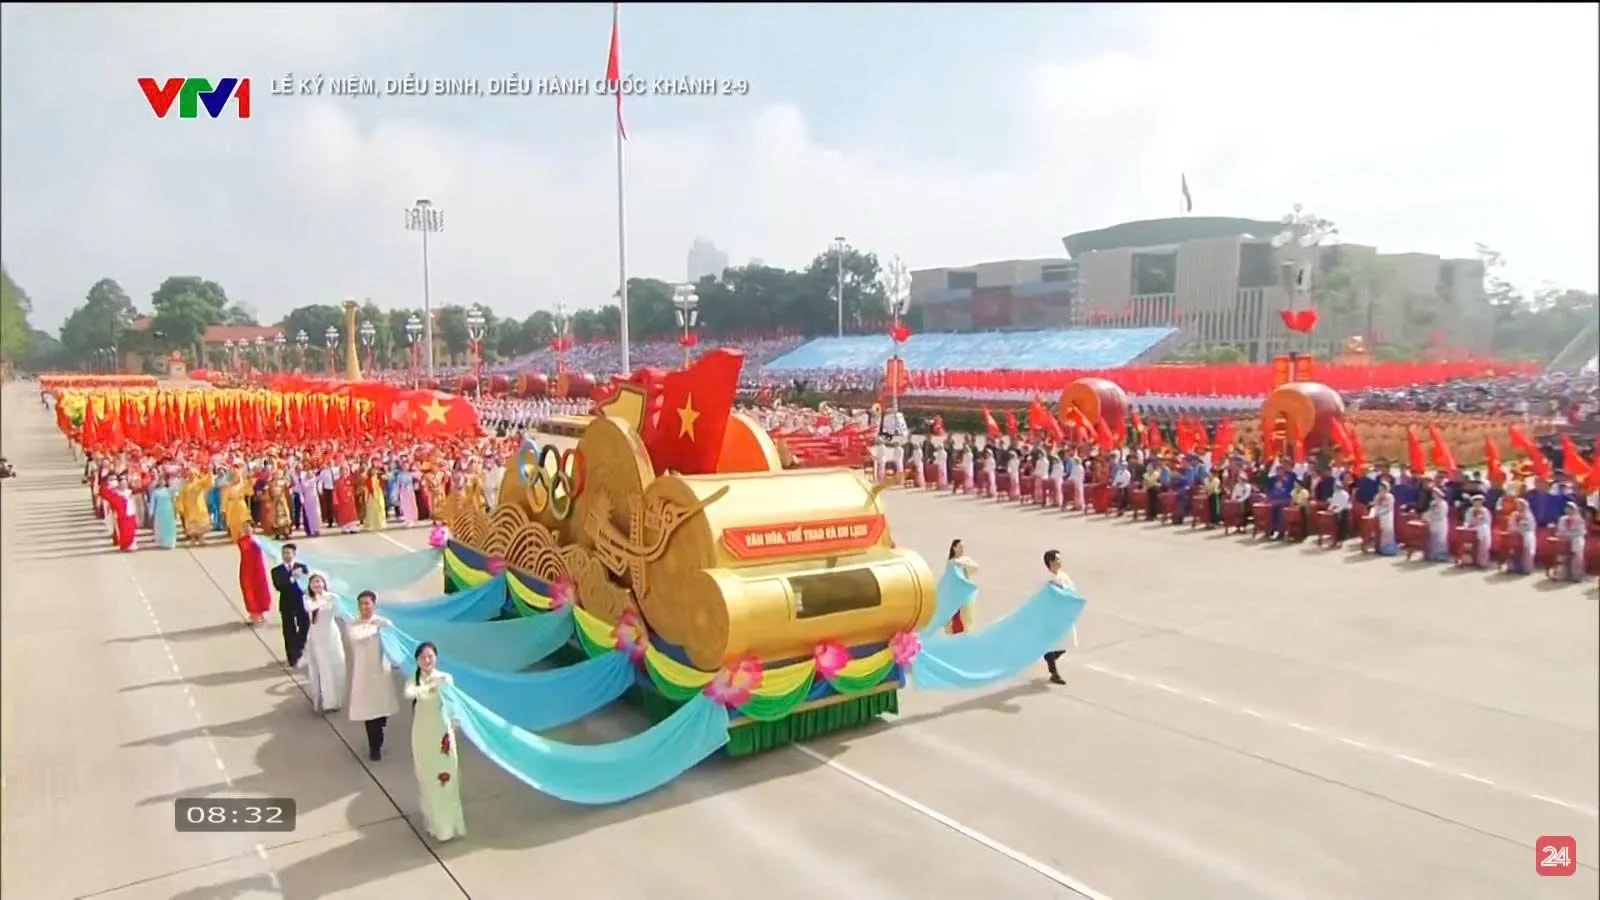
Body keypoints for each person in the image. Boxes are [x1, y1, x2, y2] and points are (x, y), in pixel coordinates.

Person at [404, 642, 466, 841]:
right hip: (422, 734)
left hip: (441, 735)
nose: (427, 660)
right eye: (422, 657)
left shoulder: (445, 678)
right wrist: (431, 686)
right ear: (417, 660)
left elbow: (453, 702)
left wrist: (455, 719)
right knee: (428, 778)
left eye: (430, 656)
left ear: (436, 658)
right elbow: (411, 693)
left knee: (446, 778)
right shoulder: (413, 681)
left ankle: (449, 826)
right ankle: (435, 823)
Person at [345, 590, 400, 760]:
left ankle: (379, 734)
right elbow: (357, 636)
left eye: (367, 603)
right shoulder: (354, 624)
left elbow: (393, 637)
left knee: (382, 709)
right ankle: (374, 748)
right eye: (361, 604)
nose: (364, 607)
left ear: (374, 605)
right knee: (369, 712)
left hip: (381, 672)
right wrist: (375, 627)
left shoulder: (382, 622)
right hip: (364, 674)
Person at [302, 572, 347, 713]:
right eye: (313, 582)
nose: (316, 584)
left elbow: (341, 613)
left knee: (337, 665)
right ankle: (327, 701)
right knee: (323, 667)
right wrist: (322, 599)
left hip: (331, 635)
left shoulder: (333, 597)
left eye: (318, 581)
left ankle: (337, 699)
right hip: (317, 637)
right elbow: (309, 608)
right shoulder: (307, 598)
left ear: (324, 583)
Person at [271, 544, 310, 662]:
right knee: (289, 630)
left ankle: (301, 648)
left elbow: (307, 584)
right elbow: (279, 586)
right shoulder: (276, 571)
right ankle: (292, 657)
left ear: (294, 554)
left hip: (301, 602)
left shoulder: (302, 567)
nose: (286, 556)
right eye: (284, 553)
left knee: (305, 626)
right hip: (286, 603)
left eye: (288, 553)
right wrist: (292, 578)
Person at [1041, 549, 1074, 685]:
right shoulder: (1050, 579)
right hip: (1053, 616)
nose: (1060, 561)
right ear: (1051, 562)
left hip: (1062, 614)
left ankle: (1049, 658)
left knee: (1064, 644)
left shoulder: (1063, 576)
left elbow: (1071, 590)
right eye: (1057, 559)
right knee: (1058, 643)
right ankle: (1053, 671)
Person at [945, 539, 978, 634]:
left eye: (963, 547)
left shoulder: (965, 560)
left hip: (965, 597)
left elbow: (975, 568)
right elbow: (952, 577)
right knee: (955, 621)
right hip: (955, 597)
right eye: (960, 547)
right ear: (954, 548)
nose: (962, 549)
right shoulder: (951, 563)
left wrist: (964, 562)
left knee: (967, 621)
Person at [1553, 502, 1587, 581]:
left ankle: (1576, 575)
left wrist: (1569, 535)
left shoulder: (1580, 520)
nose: (1568, 510)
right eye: (1567, 508)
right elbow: (1560, 529)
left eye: (1570, 508)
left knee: (1577, 552)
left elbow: (1581, 532)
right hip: (1564, 539)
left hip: (1576, 539)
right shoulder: (1562, 519)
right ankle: (1561, 574)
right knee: (1562, 554)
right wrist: (1564, 535)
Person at [1509, 497, 1537, 575]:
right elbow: (1511, 524)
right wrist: (1515, 529)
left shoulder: (1528, 515)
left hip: (1526, 535)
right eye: (1517, 505)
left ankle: (1526, 568)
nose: (1518, 506)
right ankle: (1514, 567)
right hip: (1516, 535)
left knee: (1526, 550)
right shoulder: (1514, 514)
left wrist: (1523, 529)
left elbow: (1531, 526)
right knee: (1515, 550)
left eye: (1520, 505)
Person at [1368, 482, 1398, 556]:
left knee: (1387, 532)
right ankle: (1378, 548)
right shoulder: (1377, 495)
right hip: (1378, 516)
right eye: (1380, 488)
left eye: (1382, 488)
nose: (1380, 489)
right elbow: (1375, 504)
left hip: (1387, 516)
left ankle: (1387, 550)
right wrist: (1373, 506)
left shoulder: (1390, 496)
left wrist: (1382, 512)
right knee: (1378, 532)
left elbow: (1390, 507)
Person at [1464, 495, 1493, 568]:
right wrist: (1466, 525)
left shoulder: (1485, 511)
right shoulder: (1470, 510)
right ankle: (1468, 560)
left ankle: (1482, 562)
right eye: (1475, 502)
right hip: (1472, 529)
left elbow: (1487, 522)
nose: (1477, 504)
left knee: (1483, 538)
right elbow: (1467, 520)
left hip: (1482, 530)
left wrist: (1480, 522)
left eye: (1479, 502)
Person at [1424, 486, 1451, 562]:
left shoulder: (1444, 504)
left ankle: (1441, 557)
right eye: (1433, 493)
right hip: (1433, 523)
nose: (1434, 495)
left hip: (1441, 523)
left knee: (1441, 539)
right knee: (1433, 538)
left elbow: (1442, 515)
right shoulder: (1432, 503)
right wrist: (1426, 516)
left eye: (1435, 493)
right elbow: (1430, 511)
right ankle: (1432, 555)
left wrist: (1432, 517)